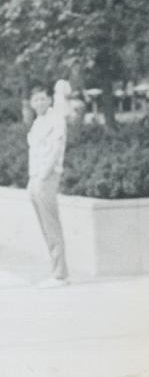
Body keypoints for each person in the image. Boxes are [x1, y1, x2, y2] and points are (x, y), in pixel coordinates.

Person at [27, 82, 70, 287]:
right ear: (31, 103)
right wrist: (32, 179)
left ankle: (60, 274)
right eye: (36, 99)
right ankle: (55, 270)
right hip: (35, 178)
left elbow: (55, 150)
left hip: (47, 176)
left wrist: (43, 176)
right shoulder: (38, 122)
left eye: (43, 98)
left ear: (49, 100)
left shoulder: (56, 120)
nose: (40, 102)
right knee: (45, 225)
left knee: (51, 224)